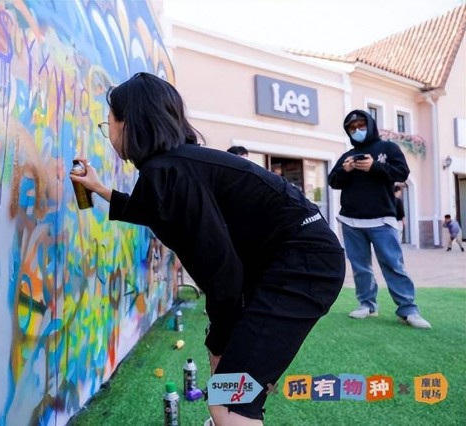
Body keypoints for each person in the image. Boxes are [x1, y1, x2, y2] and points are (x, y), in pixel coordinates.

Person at [72, 72, 345, 425]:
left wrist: (219, 339)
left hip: (301, 267)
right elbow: (157, 209)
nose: (108, 133)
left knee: (229, 401)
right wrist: (100, 189)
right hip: (293, 261)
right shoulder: (175, 166)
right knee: (230, 383)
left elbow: (221, 272)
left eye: (107, 124)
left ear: (128, 123)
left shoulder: (170, 172)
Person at [328, 109, 431, 329]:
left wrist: (374, 167)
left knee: (393, 265)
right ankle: (367, 305)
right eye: (352, 128)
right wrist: (345, 170)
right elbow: (333, 181)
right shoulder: (347, 155)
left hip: (382, 219)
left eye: (361, 125)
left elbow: (402, 173)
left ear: (370, 124)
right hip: (350, 221)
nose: (357, 130)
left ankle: (408, 309)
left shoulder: (388, 148)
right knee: (360, 267)